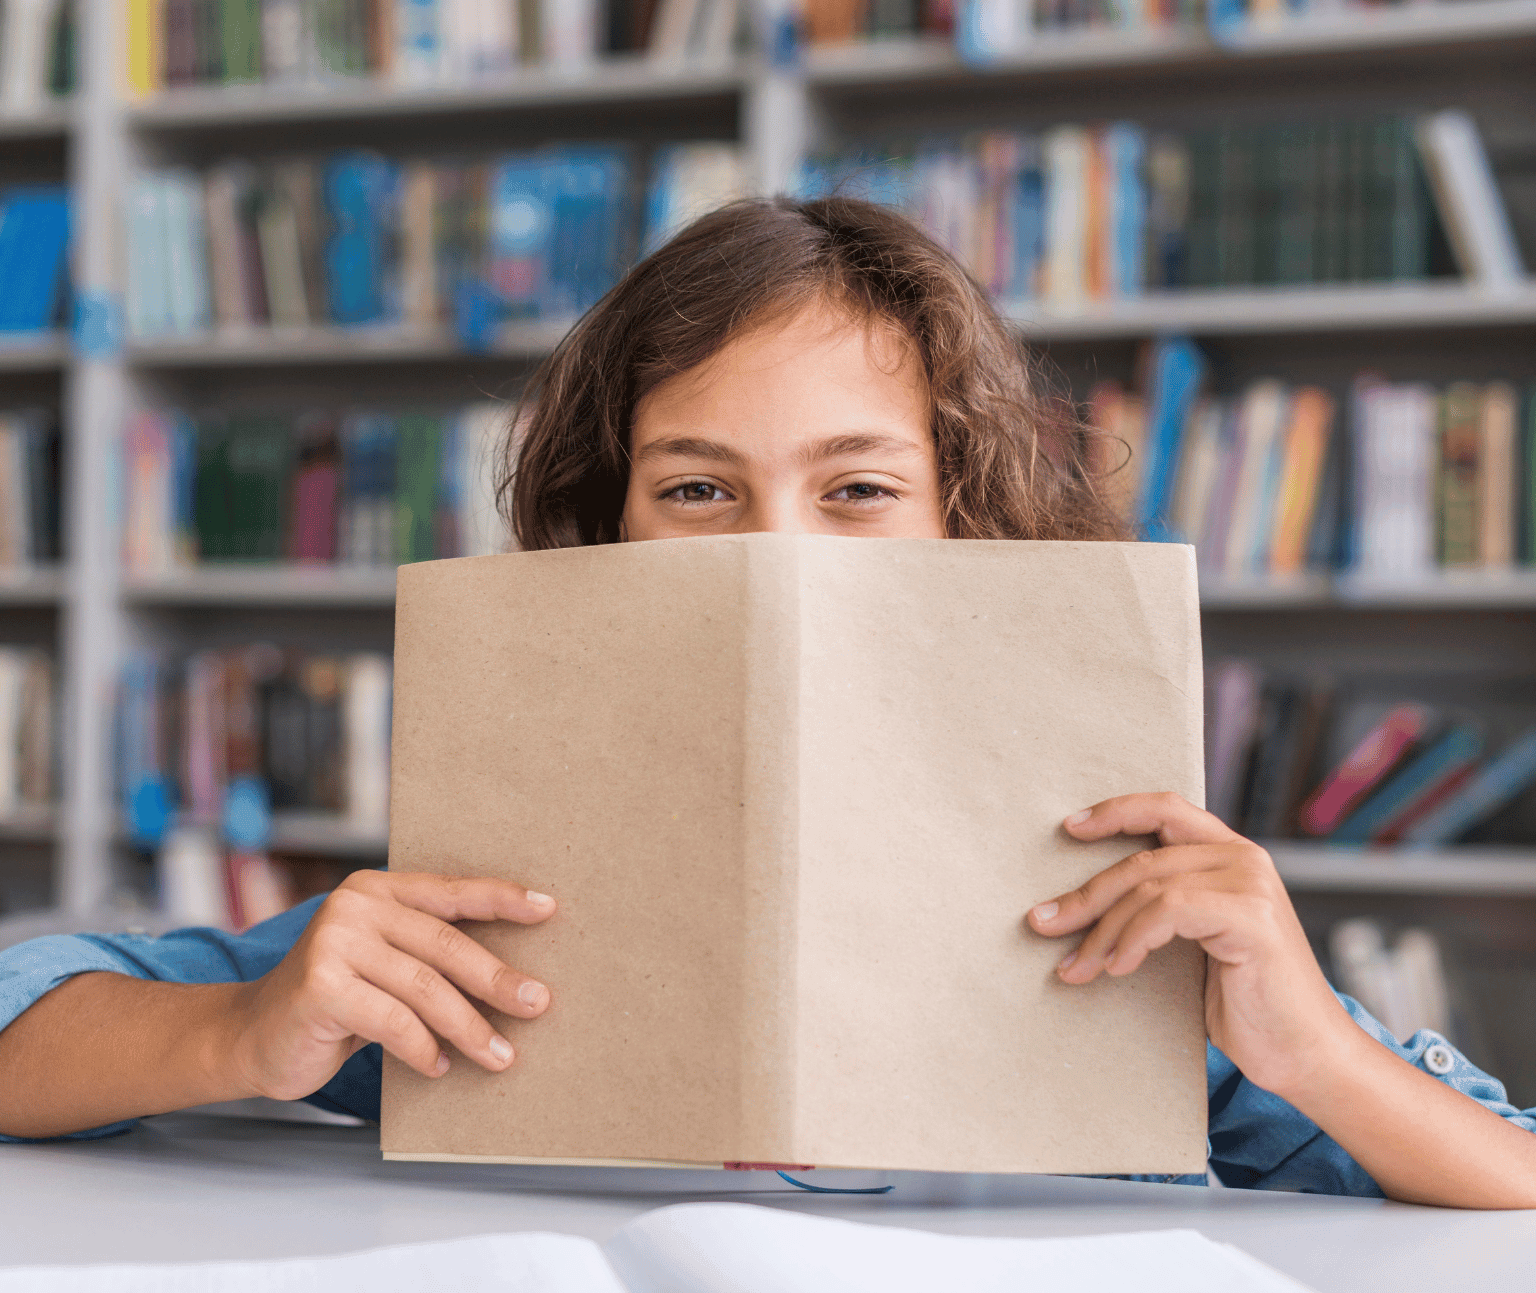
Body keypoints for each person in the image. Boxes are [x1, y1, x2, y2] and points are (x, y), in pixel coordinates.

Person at [2, 198, 1534, 1207]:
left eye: (859, 487)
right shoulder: (474, 945)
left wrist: (1316, 1055)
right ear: (604, 540)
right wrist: (242, 1031)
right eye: (696, 489)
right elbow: (25, 1017)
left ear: (968, 528)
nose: (778, 550)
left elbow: (1512, 1185)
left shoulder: (1123, 947)